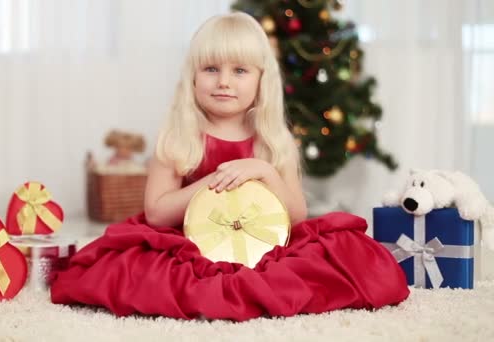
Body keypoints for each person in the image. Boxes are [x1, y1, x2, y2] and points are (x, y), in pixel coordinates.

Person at [50, 12, 409, 321]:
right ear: (192, 77)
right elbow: (157, 214)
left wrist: (263, 171)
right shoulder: (178, 136)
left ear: (260, 81)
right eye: (211, 69)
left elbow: (298, 215)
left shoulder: (272, 139)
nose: (223, 81)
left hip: (264, 244)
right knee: (131, 266)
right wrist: (210, 182)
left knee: (345, 250)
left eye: (239, 70)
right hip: (192, 244)